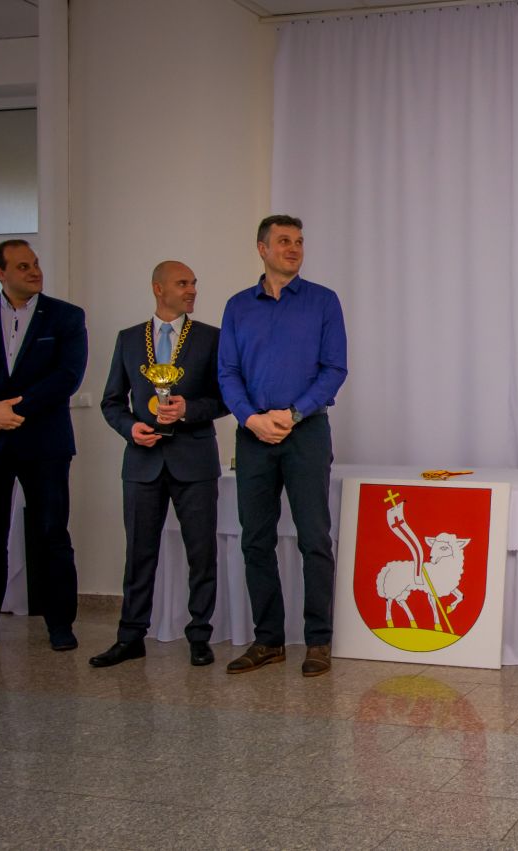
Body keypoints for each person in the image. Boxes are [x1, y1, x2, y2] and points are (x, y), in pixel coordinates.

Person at [218, 215, 347, 677]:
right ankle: (268, 640)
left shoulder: (323, 301)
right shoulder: (238, 307)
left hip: (306, 432)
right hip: (253, 435)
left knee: (314, 538)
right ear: (262, 248)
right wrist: (252, 418)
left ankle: (318, 641)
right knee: (256, 539)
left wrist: (292, 414)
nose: (294, 248)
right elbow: (227, 372)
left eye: (299, 242)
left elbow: (334, 369)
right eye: (284, 241)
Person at [91, 261, 228, 669]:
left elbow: (224, 400)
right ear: (158, 288)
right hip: (142, 461)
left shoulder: (211, 338)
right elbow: (112, 401)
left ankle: (199, 636)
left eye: (194, 283)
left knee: (201, 554)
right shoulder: (129, 339)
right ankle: (130, 636)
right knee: (139, 553)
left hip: (194, 460)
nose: (192, 290)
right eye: (183, 283)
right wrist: (130, 428)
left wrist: (188, 410)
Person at [0, 239, 87, 650]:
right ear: (0, 273)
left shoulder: (66, 316)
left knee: (52, 534)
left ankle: (60, 626)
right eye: (22, 266)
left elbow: (68, 376)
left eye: (35, 263)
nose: (34, 271)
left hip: (44, 444)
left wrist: (12, 410)